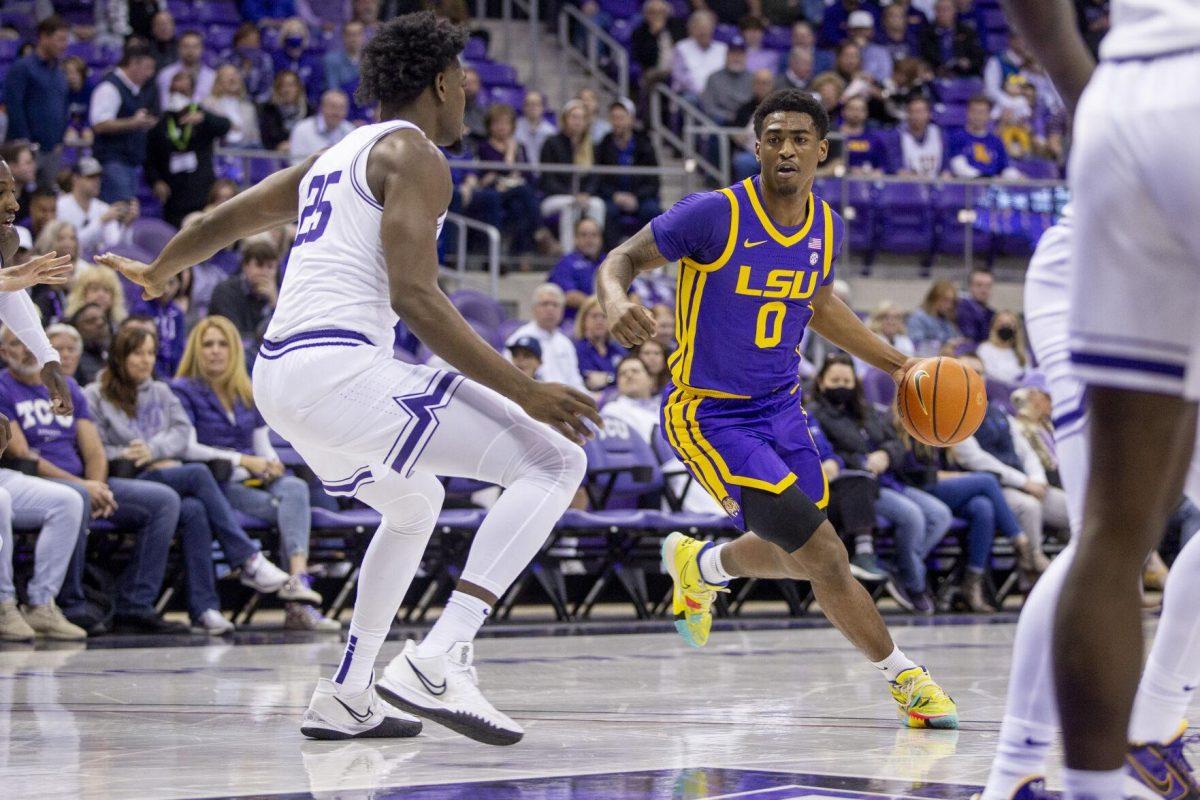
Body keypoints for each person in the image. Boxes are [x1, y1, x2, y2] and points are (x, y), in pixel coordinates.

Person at [101, 11, 598, 746]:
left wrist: (157, 269)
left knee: (413, 504)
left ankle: (349, 692)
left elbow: (223, 221)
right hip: (339, 372)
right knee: (556, 459)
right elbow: (417, 299)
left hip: (280, 378)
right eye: (462, 80)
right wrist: (525, 392)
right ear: (439, 82)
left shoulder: (332, 159)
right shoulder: (416, 154)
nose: (467, 93)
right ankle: (440, 657)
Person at [596, 88, 958, 728]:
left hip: (782, 408)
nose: (785, 148)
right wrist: (613, 299)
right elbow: (620, 257)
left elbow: (818, 305)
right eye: (773, 137)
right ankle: (906, 679)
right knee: (825, 555)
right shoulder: (713, 214)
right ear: (756, 146)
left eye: (799, 138)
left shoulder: (827, 226)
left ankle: (701, 564)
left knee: (799, 552)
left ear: (822, 150)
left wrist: (899, 365)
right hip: (709, 413)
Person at [83, 326, 306, 633]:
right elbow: (91, 446)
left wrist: (153, 449)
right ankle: (247, 560)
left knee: (195, 510)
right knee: (197, 479)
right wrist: (126, 453)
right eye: (137, 353)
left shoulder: (160, 391)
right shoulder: (94, 394)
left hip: (159, 472)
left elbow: (182, 433)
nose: (145, 360)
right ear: (120, 357)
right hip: (120, 477)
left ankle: (202, 608)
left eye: (150, 353)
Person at [0, 325, 188, 634]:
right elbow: (21, 451)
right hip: (39, 478)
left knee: (166, 501)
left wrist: (96, 484)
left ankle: (135, 602)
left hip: (87, 482)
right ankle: (71, 601)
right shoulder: (5, 387)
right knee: (76, 498)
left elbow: (94, 449)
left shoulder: (67, 385)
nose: (26, 349)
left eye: (29, 341)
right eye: (15, 344)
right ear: (4, 353)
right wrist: (84, 487)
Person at [172, 316, 337, 632]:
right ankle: (297, 604)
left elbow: (263, 445)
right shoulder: (183, 390)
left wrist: (271, 463)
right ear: (196, 350)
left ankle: (297, 579)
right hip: (217, 485)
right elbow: (187, 447)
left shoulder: (246, 392)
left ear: (234, 350)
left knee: (294, 487)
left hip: (253, 484)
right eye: (208, 345)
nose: (215, 351)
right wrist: (243, 460)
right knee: (291, 504)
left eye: (222, 344)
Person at [809, 354, 949, 597]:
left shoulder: (866, 410)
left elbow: (895, 443)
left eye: (846, 380)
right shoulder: (815, 415)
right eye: (835, 380)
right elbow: (829, 455)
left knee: (940, 515)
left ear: (855, 382)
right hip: (859, 487)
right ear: (821, 382)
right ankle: (914, 585)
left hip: (890, 480)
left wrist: (885, 454)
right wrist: (864, 461)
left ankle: (898, 567)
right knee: (913, 516)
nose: (842, 385)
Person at [146, 71, 232, 228]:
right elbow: (150, 158)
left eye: (183, 91)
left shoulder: (200, 114)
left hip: (202, 190)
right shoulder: (163, 122)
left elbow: (225, 126)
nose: (178, 94)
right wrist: (156, 181)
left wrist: (204, 118)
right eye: (175, 91)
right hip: (174, 193)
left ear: (191, 92)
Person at [2, 16, 70, 188]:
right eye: (60, 39)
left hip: (52, 149)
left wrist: (59, 140)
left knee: (45, 200)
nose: (64, 45)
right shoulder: (23, 68)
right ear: (44, 37)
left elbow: (63, 107)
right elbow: (14, 106)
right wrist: (26, 143)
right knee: (15, 198)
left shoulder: (59, 72)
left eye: (66, 40)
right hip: (25, 151)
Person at [89, 43, 159, 203]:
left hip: (129, 163)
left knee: (128, 213)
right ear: (134, 63)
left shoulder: (135, 89)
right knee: (120, 210)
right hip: (112, 162)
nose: (150, 74)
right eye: (147, 67)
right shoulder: (109, 88)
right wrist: (134, 122)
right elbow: (99, 124)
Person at [473, 104, 541, 261]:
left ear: (512, 126)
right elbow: (487, 174)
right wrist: (510, 154)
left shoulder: (521, 147)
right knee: (523, 191)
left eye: (505, 123)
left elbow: (529, 174)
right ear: (489, 126)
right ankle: (539, 232)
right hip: (494, 191)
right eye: (497, 123)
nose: (502, 127)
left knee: (519, 207)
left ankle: (515, 256)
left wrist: (508, 173)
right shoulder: (484, 147)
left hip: (514, 192)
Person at [539, 100, 606, 255]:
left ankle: (594, 253)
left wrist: (586, 193)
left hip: (583, 196)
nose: (577, 122)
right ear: (565, 119)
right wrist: (573, 194)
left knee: (598, 204)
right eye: (574, 117)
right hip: (554, 198)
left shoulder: (591, 146)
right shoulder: (551, 143)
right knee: (571, 205)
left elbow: (595, 178)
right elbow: (548, 180)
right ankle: (569, 254)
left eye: (581, 118)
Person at [507, 284, 587, 391]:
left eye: (555, 305)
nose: (550, 309)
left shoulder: (565, 343)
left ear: (562, 310)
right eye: (545, 304)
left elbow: (574, 381)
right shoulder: (519, 339)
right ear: (534, 309)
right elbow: (509, 376)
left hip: (565, 400)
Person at [208, 238, 280, 356]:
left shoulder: (279, 295)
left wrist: (275, 304)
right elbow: (233, 335)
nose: (265, 272)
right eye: (259, 265)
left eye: (270, 267)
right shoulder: (225, 291)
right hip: (229, 353)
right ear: (245, 266)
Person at [55, 158, 131, 262]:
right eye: (90, 177)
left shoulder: (104, 208)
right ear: (75, 178)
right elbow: (70, 245)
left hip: (99, 264)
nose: (96, 181)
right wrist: (100, 221)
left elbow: (114, 244)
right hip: (70, 263)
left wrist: (126, 225)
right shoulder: (61, 206)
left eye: (98, 177)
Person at [947, 96, 1022, 179]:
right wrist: (985, 178)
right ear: (968, 113)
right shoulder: (957, 137)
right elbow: (958, 166)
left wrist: (1017, 176)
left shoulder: (996, 141)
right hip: (966, 188)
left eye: (982, 112)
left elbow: (1005, 167)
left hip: (993, 188)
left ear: (989, 115)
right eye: (974, 111)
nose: (978, 116)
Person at [548, 218, 605, 322]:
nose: (589, 239)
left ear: (600, 239)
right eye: (584, 235)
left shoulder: (609, 261)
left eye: (594, 235)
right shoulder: (566, 263)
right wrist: (601, 309)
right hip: (574, 325)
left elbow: (632, 292)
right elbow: (570, 296)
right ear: (576, 239)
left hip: (607, 324)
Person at [916, 0, 983, 78]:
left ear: (954, 11)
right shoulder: (926, 33)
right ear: (934, 12)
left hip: (963, 75)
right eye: (939, 10)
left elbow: (978, 57)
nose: (943, 13)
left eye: (947, 9)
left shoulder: (967, 32)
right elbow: (923, 57)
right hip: (936, 76)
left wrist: (969, 62)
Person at [671, 11, 728, 101]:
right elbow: (680, 77)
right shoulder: (681, 47)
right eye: (699, 28)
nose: (703, 32)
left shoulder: (722, 49)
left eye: (706, 28)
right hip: (691, 94)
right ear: (692, 30)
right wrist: (699, 91)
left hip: (718, 94)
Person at [574, 296, 627, 392]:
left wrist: (608, 378)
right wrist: (616, 377)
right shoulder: (577, 349)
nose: (599, 321)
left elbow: (628, 374)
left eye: (604, 316)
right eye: (594, 316)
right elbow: (592, 382)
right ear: (584, 320)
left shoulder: (617, 349)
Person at [203, 65, 262, 148]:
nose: (232, 78)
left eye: (235, 75)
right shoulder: (208, 104)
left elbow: (255, 138)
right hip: (219, 151)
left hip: (245, 152)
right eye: (227, 76)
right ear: (218, 82)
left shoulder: (249, 107)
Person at [156, 30, 216, 110]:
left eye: (195, 47)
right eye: (186, 46)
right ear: (178, 48)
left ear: (202, 49)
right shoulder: (165, 74)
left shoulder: (212, 76)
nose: (190, 51)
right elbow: (163, 104)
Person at [288, 89, 354, 160]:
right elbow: (297, 163)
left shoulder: (351, 131)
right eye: (333, 107)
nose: (336, 112)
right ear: (322, 107)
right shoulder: (302, 129)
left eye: (341, 108)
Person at [700, 38, 754, 125]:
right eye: (733, 54)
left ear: (745, 57)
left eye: (740, 54)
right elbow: (709, 107)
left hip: (747, 123)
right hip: (721, 123)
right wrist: (728, 116)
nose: (736, 58)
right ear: (726, 55)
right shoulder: (714, 78)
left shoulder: (753, 78)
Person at [907, 279, 963, 355]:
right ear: (934, 298)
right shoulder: (918, 317)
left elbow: (956, 338)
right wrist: (944, 345)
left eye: (951, 301)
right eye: (945, 300)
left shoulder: (947, 320)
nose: (949, 305)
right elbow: (916, 344)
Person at [259, 70, 310, 153]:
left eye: (290, 85)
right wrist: (277, 147)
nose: (286, 90)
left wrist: (294, 145)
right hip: (276, 157)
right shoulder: (269, 110)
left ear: (299, 88)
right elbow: (266, 139)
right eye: (282, 86)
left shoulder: (309, 111)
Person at [65, 265, 128, 331]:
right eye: (94, 289)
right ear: (82, 293)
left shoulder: (120, 329)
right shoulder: (67, 327)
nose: (101, 295)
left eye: (106, 290)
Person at [838, 95, 889, 173]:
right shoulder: (834, 136)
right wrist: (850, 170)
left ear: (866, 113)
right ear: (843, 112)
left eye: (860, 110)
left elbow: (883, 166)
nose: (856, 113)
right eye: (852, 109)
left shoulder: (874, 139)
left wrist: (876, 173)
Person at [977, 310, 1028, 384]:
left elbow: (1029, 376)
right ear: (993, 326)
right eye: (1001, 322)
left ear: (1016, 328)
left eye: (1010, 323)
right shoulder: (984, 349)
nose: (1005, 326)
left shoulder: (1022, 353)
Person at [897, 96, 943, 178]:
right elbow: (899, 171)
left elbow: (946, 168)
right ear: (907, 114)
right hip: (910, 186)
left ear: (929, 114)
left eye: (920, 111)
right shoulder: (898, 137)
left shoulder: (939, 134)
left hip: (935, 185)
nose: (916, 116)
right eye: (912, 112)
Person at [70, 303, 111, 386]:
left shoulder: (114, 353)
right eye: (91, 321)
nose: (100, 323)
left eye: (104, 319)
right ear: (77, 328)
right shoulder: (72, 358)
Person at [324, 20, 366, 97]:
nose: (354, 39)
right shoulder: (332, 60)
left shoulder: (372, 61)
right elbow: (333, 90)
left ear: (363, 37)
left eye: (357, 34)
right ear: (343, 37)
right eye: (350, 35)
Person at [514, 91, 556, 168]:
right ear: (523, 107)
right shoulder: (514, 128)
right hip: (521, 173)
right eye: (528, 104)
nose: (532, 107)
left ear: (543, 107)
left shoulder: (551, 132)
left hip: (544, 173)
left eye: (536, 104)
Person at [956, 267, 994, 344]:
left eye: (988, 286)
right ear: (970, 286)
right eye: (979, 285)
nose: (984, 290)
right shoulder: (962, 309)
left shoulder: (991, 314)